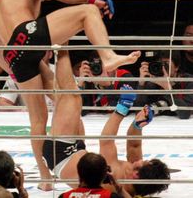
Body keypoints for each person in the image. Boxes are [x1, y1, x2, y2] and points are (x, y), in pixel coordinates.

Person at [0, 0, 141, 185]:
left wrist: (12, 70)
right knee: (88, 12)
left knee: (48, 112)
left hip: (15, 54)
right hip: (25, 37)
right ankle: (108, 56)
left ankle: (45, 176)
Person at [42, 49, 170, 196]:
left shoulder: (116, 176)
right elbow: (134, 144)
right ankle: (25, 64)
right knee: (62, 98)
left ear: (136, 175)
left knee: (72, 97)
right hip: (77, 151)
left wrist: (123, 108)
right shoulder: (136, 178)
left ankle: (61, 45)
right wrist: (137, 125)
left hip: (61, 154)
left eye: (144, 163)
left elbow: (106, 141)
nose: (141, 160)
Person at [72, 51, 136, 116]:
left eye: (105, 65)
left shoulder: (125, 78)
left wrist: (108, 86)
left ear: (115, 65)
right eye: (99, 66)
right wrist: (80, 85)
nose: (103, 70)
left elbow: (124, 112)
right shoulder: (90, 78)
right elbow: (80, 112)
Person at [135, 50, 193, 119]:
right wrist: (141, 83)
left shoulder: (188, 81)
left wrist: (167, 88)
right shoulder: (153, 82)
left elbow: (185, 114)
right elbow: (139, 111)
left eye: (166, 64)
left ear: (176, 67)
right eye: (160, 64)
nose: (163, 68)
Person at [58, 152, 129, 198]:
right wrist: (119, 189)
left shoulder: (64, 196)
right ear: (105, 176)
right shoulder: (109, 196)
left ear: (79, 174)